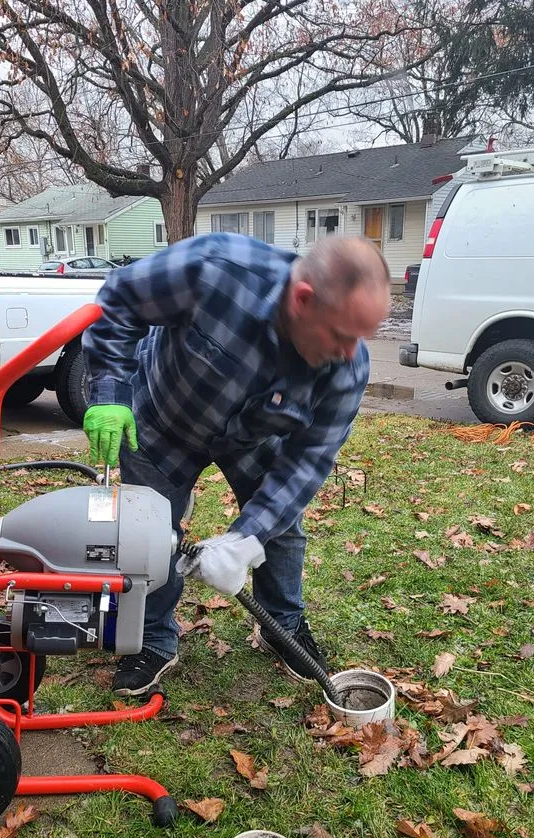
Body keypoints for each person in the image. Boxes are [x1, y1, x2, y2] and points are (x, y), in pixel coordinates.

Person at [82, 232, 391, 695]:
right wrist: (110, 390)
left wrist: (246, 540)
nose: (350, 353)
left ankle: (281, 626)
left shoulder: (347, 369)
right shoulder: (216, 268)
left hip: (251, 438)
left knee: (282, 529)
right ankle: (153, 638)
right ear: (303, 300)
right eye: (343, 335)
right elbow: (121, 298)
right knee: (148, 533)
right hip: (162, 418)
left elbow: (308, 462)